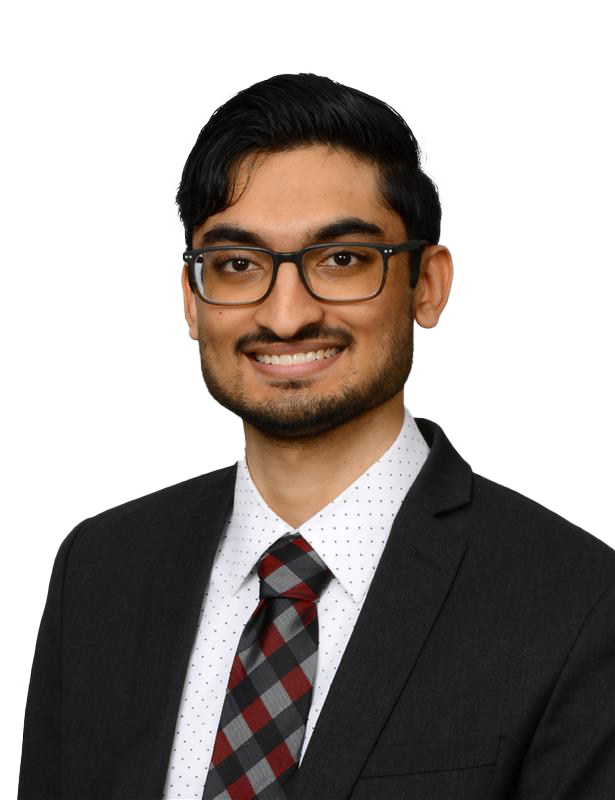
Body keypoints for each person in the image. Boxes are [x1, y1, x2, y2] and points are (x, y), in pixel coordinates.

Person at [18, 71, 615, 800]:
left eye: (341, 259)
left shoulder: (578, 604)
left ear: (426, 285)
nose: (286, 316)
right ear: (193, 301)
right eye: (238, 265)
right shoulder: (100, 571)